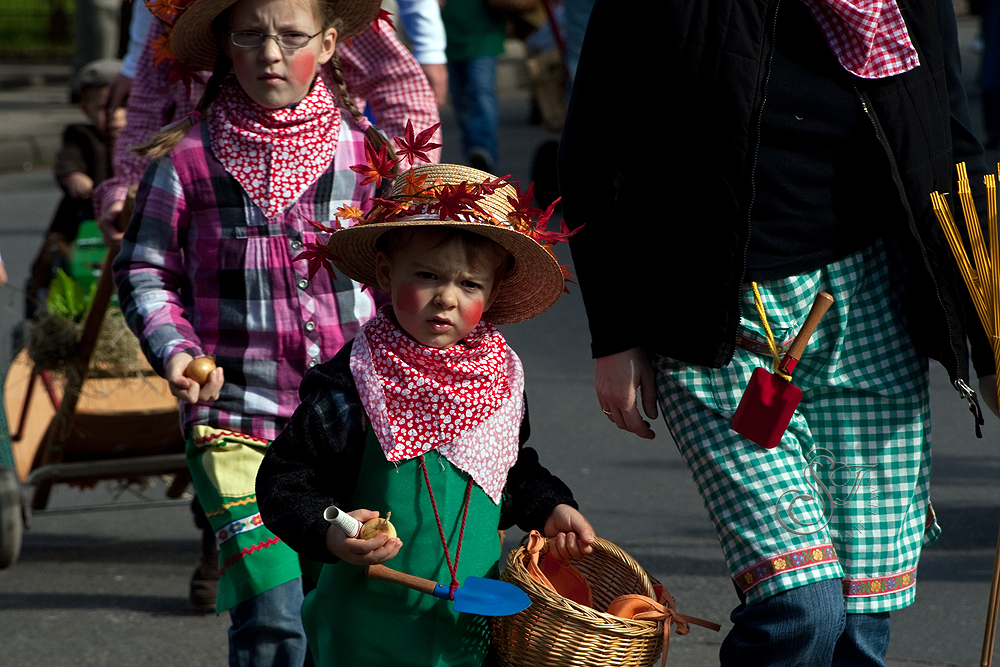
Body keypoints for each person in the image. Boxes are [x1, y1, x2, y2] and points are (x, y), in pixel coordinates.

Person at [558, 1, 1000, 666]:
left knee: (860, 616)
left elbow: (953, 146)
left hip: (872, 301)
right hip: (716, 318)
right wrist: (615, 336)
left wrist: (991, 342)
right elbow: (588, 155)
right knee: (800, 608)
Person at [112, 0, 409, 662]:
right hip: (238, 425)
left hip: (350, 428)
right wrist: (179, 351)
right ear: (225, 46)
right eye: (251, 35)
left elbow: (402, 286)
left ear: (329, 44)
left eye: (291, 36)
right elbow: (142, 271)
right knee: (274, 618)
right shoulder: (187, 157)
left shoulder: (369, 158)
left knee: (338, 607)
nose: (270, 52)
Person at [255, 162, 595, 666]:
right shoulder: (352, 383)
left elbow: (509, 468)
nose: (446, 298)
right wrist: (331, 528)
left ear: (493, 294)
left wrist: (551, 507)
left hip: (470, 626)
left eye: (469, 285)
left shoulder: (500, 380)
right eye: (426, 275)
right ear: (388, 274)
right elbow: (285, 480)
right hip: (364, 630)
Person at [92, 0, 440, 250]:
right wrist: (127, 189)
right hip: (212, 193)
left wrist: (398, 185)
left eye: (290, 37)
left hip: (322, 184)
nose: (271, 53)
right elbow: (148, 107)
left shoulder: (315, 7)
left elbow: (398, 84)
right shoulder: (177, 11)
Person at [27, 59, 126, 317]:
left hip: (127, 221)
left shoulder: (142, 141)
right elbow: (68, 158)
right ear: (86, 108)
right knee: (50, 255)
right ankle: (40, 311)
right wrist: (74, 176)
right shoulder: (82, 136)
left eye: (125, 105)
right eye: (106, 107)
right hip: (82, 219)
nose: (116, 115)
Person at [440, 0, 506, 171]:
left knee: (481, 93)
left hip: (484, 37)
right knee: (460, 99)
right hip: (448, 38)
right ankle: (473, 151)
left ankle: (484, 150)